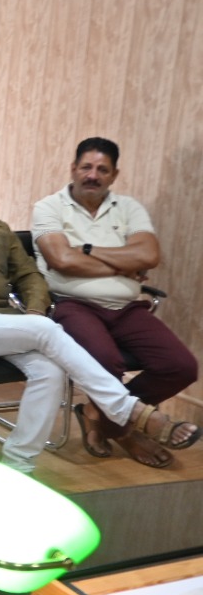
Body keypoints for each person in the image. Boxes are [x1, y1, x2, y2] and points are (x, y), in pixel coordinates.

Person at [0, 158, 196, 473]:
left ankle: (20, 463)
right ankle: (128, 410)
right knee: (45, 330)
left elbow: (29, 275)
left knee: (50, 371)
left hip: (0, 321)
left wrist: (33, 310)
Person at [32, 137, 200, 468]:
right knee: (107, 362)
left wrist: (87, 250)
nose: (92, 175)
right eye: (86, 167)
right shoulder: (49, 207)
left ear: (114, 175)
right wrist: (124, 263)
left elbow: (149, 255)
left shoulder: (129, 208)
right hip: (72, 304)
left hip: (126, 307)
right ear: (73, 169)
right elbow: (62, 260)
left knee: (181, 366)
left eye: (102, 169)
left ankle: (100, 417)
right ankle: (127, 431)